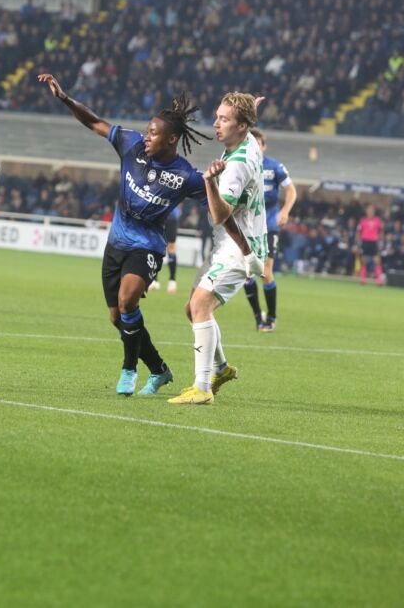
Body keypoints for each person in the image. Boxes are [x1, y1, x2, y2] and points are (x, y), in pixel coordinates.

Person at [37, 73, 259, 397]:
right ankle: (159, 370)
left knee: (128, 302)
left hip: (148, 247)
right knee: (118, 318)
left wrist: (246, 251)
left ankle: (128, 370)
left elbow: (222, 213)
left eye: (153, 134)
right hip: (116, 243)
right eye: (146, 131)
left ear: (170, 140)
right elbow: (96, 123)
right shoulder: (130, 145)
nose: (146, 137)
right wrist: (64, 98)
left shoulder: (187, 176)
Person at [170, 92, 267, 406]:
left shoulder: (236, 166)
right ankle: (221, 369)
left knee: (199, 305)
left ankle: (202, 387)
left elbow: (221, 215)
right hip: (232, 244)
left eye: (224, 119)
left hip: (239, 246)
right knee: (193, 309)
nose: (216, 123)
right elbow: (247, 122)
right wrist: (248, 105)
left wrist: (209, 181)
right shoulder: (249, 140)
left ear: (241, 125)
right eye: (218, 116)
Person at [241, 128, 296, 331]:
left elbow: (291, 190)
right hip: (247, 225)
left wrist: (285, 210)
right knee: (247, 273)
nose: (256, 147)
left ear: (264, 146)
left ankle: (271, 317)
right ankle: (258, 317)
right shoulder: (242, 166)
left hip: (270, 223)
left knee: (265, 271)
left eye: (259, 144)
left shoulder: (274, 167)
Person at [147, 203, 180, 293]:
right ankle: (154, 280)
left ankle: (172, 280)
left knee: (170, 248)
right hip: (158, 217)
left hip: (170, 217)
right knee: (155, 247)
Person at [356, 204, 384, 286]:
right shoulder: (362, 220)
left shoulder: (377, 220)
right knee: (364, 261)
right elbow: (358, 232)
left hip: (373, 242)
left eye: (372, 210)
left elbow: (381, 231)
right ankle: (363, 279)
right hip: (365, 241)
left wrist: (381, 241)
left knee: (377, 261)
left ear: (374, 211)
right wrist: (358, 243)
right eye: (369, 209)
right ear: (366, 211)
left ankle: (379, 280)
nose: (370, 211)